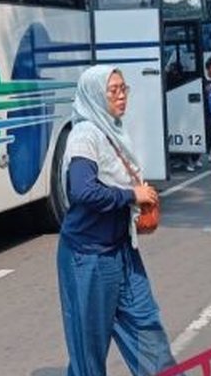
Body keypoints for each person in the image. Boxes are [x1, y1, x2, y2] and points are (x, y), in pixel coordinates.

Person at [57, 65, 175, 376]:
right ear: (96, 95)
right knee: (89, 349)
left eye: (124, 89)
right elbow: (82, 190)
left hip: (121, 249)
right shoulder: (85, 134)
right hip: (88, 256)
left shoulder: (112, 128)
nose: (121, 96)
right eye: (113, 91)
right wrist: (131, 195)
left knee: (146, 327)